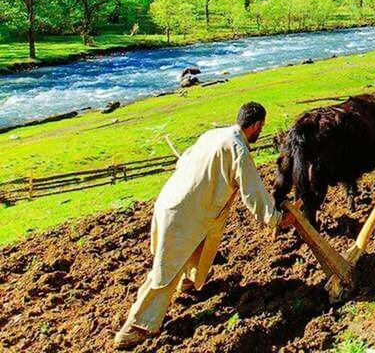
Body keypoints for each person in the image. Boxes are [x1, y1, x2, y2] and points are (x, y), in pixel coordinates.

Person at [114, 102, 295, 349]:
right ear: (255, 125)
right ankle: (135, 328)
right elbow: (252, 192)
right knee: (165, 270)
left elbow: (185, 161)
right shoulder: (238, 149)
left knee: (196, 250)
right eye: (261, 127)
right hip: (184, 214)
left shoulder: (212, 135)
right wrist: (275, 218)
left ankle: (186, 285)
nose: (260, 131)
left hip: (173, 201)